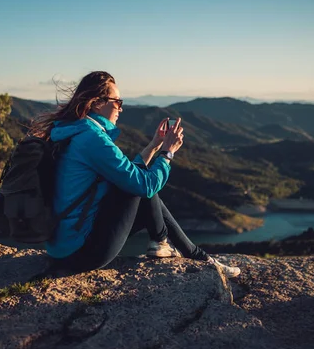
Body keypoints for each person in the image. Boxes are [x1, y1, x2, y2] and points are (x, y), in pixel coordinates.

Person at [29, 71, 240, 277]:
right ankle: (179, 250)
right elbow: (143, 186)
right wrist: (168, 153)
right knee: (142, 186)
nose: (121, 109)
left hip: (61, 246)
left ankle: (173, 247)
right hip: (81, 252)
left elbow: (125, 173)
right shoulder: (92, 139)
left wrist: (155, 146)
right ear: (97, 103)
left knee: (136, 182)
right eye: (118, 102)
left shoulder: (73, 131)